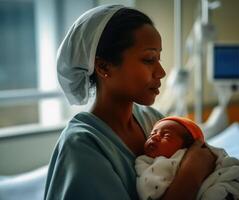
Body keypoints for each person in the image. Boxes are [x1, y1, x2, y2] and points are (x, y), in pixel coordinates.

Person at [44, 4, 216, 200]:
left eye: (159, 58)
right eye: (149, 59)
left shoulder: (153, 120)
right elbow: (196, 163)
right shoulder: (81, 146)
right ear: (103, 67)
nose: (161, 72)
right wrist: (191, 175)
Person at [135, 117, 239, 200]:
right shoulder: (144, 162)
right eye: (151, 134)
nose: (154, 137)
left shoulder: (190, 154)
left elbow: (227, 168)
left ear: (188, 146)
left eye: (166, 135)